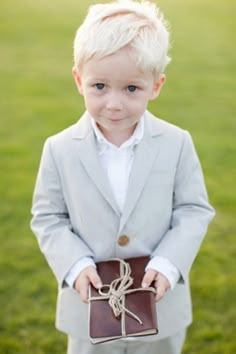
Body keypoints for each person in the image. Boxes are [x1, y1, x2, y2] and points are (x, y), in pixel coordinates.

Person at [30, 1, 215, 353]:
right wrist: (74, 265)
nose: (114, 104)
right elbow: (48, 217)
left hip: (161, 307)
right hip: (89, 311)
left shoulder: (177, 143)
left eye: (131, 89)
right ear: (78, 79)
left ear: (156, 86)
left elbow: (193, 210)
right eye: (99, 86)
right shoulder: (59, 149)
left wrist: (169, 263)